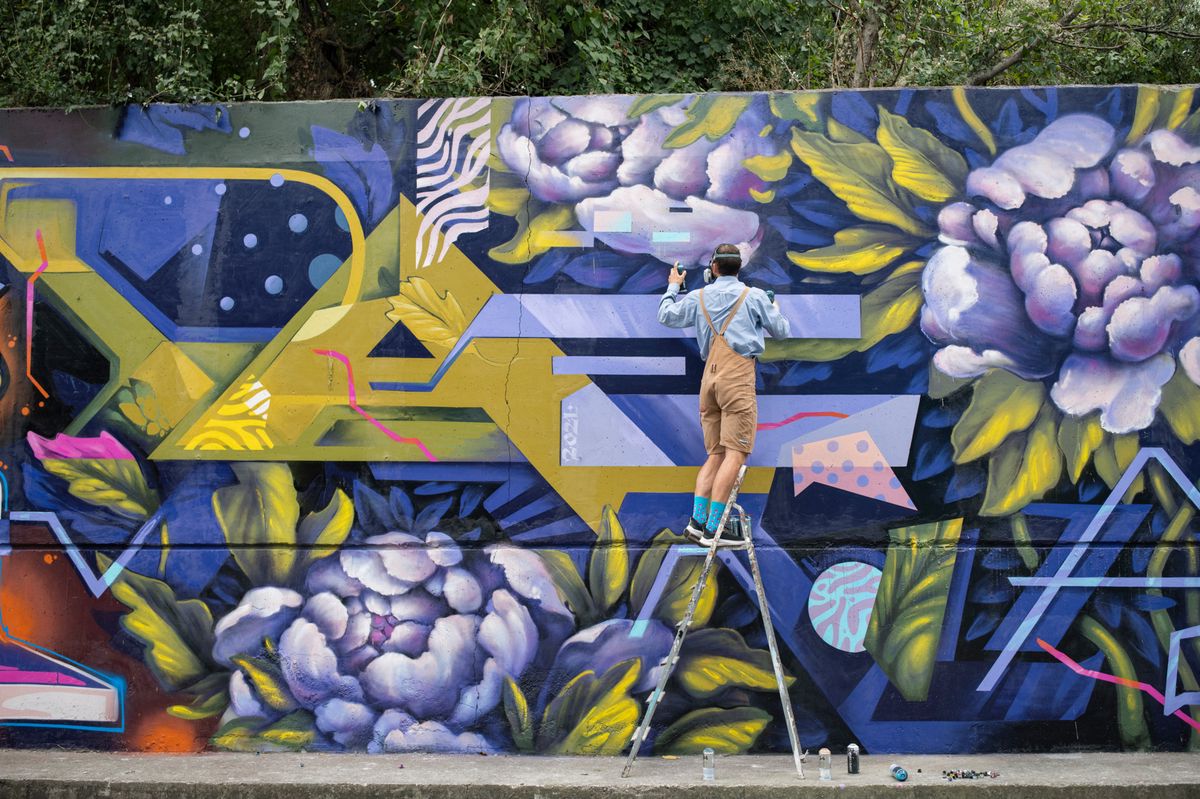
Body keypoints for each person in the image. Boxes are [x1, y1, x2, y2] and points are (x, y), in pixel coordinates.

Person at [658, 243, 790, 544]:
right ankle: (714, 528)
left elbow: (666, 316)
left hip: (710, 379)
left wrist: (673, 286)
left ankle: (697, 522)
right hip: (737, 378)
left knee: (715, 454)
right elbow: (782, 330)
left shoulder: (699, 296)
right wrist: (773, 310)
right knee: (736, 454)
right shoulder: (754, 297)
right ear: (738, 268)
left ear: (713, 269)